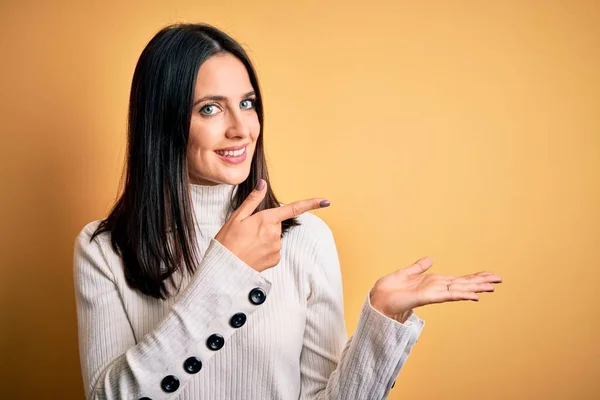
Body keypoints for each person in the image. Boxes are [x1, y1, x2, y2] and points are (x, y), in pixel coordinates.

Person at [73, 23, 502, 400]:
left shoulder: (306, 240)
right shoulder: (104, 249)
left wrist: (383, 320)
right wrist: (225, 271)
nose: (242, 128)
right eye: (210, 108)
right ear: (162, 120)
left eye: (247, 103)